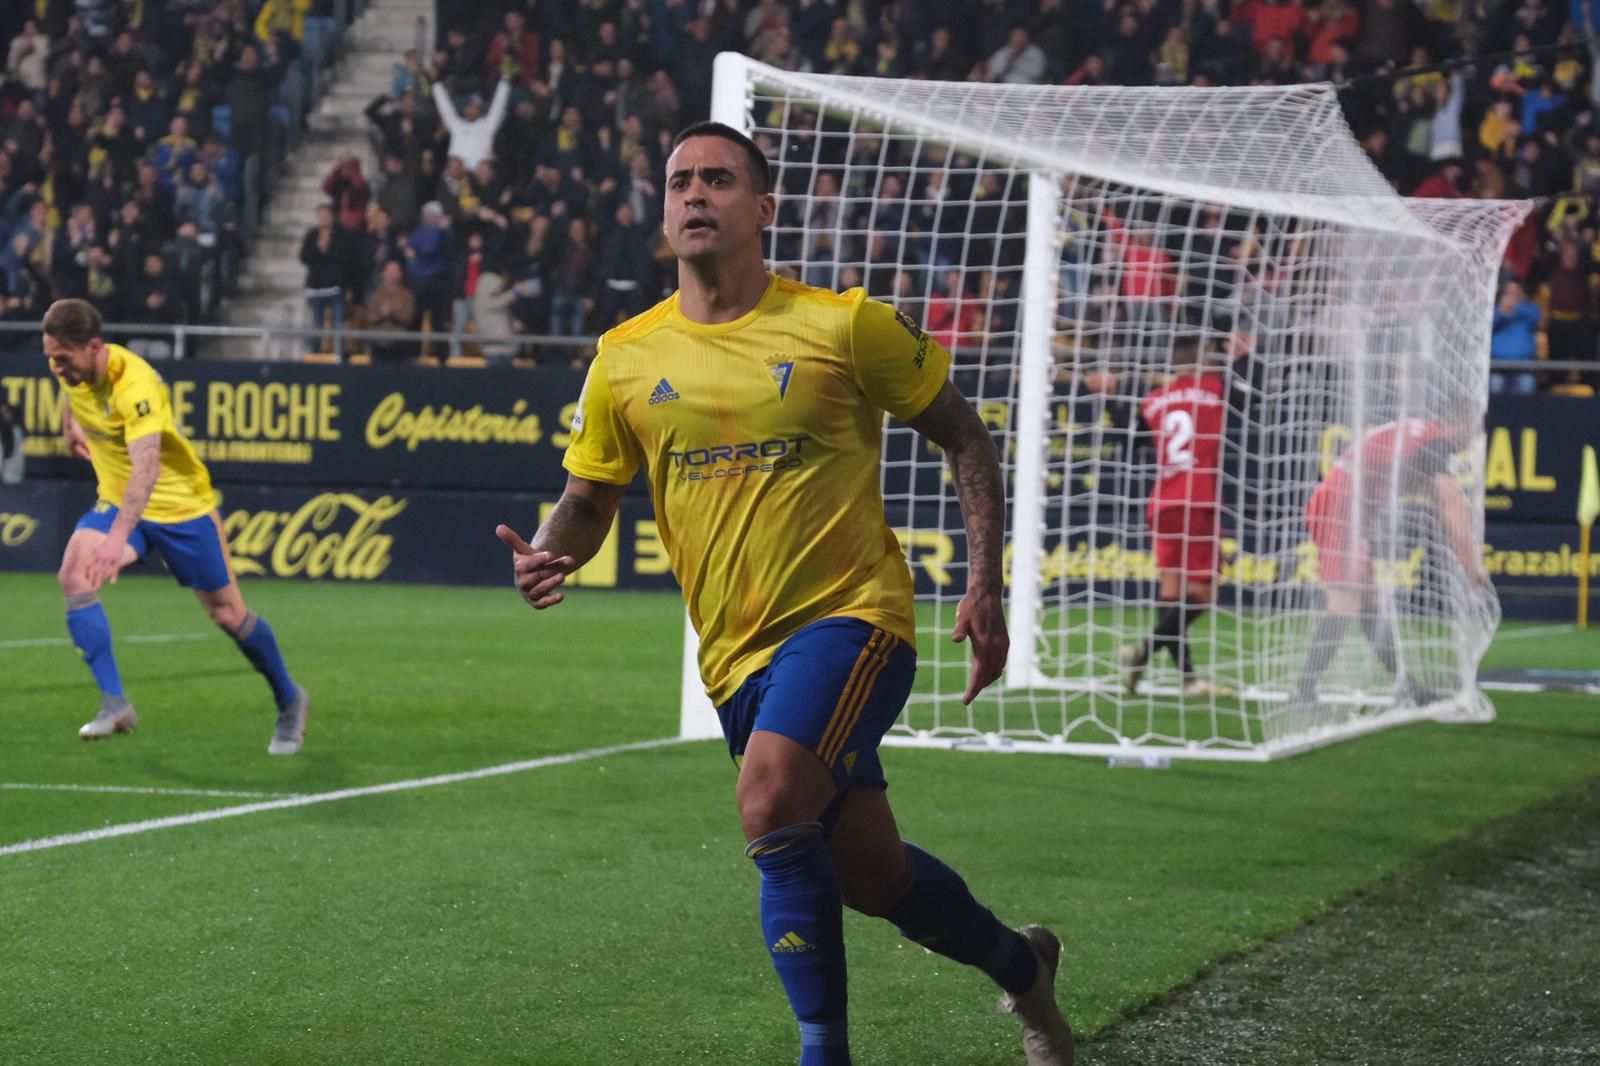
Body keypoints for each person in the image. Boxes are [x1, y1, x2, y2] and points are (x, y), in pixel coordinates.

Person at [493, 122, 1073, 1066]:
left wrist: (984, 585)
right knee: (874, 877)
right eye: (680, 180)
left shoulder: (845, 325)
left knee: (768, 803)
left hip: (855, 619)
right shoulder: (625, 356)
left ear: (762, 209)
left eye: (717, 180)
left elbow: (968, 439)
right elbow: (590, 495)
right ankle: (1023, 966)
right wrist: (550, 551)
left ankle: (822, 1054)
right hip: (735, 657)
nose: (693, 195)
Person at [41, 299, 309, 753]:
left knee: (227, 614)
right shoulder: (74, 371)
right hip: (118, 501)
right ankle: (115, 705)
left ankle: (289, 698)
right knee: (74, 575)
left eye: (63, 358)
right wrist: (71, 425)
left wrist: (118, 537)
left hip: (181, 508)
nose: (56, 367)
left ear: (94, 347)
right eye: (51, 357)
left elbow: (146, 468)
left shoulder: (137, 386)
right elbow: (75, 395)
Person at [1292, 416, 1490, 706]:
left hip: (1346, 510)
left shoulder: (1417, 434)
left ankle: (1404, 686)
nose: (1468, 447)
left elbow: (1438, 501)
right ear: (1461, 424)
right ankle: (1303, 690)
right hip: (1340, 512)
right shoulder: (1435, 443)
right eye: (1471, 438)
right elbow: (1452, 507)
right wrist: (1472, 567)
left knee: (1370, 602)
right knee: (1344, 604)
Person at [1119, 335, 1231, 697]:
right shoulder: (1213, 388)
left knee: (1172, 593)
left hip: (1162, 503)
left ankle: (1188, 679)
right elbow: (1252, 389)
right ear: (1200, 360)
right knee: (1203, 593)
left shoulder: (1153, 401)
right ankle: (1144, 650)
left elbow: (1131, 440)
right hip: (1196, 499)